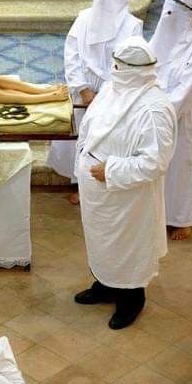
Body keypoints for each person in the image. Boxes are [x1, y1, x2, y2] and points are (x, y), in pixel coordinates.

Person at [73, 37, 177, 330]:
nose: (113, 70)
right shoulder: (114, 87)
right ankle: (106, 284)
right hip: (98, 189)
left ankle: (131, 297)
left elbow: (155, 162)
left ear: (132, 69)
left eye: (118, 66)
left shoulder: (154, 110)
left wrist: (112, 170)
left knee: (127, 245)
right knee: (102, 241)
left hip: (127, 196)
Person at [47, 0, 143, 204]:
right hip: (84, 93)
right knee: (81, 140)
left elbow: (130, 62)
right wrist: (83, 88)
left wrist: (107, 93)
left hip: (114, 96)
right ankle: (80, 185)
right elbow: (71, 53)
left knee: (104, 142)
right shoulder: (84, 18)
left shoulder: (131, 25)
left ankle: (102, 186)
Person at [149, 0, 192, 240]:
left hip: (181, 117)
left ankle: (182, 218)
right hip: (155, 112)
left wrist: (159, 112)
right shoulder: (162, 40)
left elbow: (187, 92)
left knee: (181, 167)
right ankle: (158, 214)